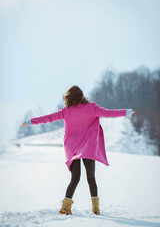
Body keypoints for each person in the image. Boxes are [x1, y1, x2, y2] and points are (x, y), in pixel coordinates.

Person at [22, 85, 135, 215]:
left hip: (72, 147)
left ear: (68, 97)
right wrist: (126, 112)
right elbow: (108, 113)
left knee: (75, 177)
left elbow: (48, 118)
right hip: (88, 146)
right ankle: (96, 209)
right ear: (82, 96)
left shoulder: (66, 111)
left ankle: (65, 208)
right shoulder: (91, 107)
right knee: (91, 177)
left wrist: (30, 121)